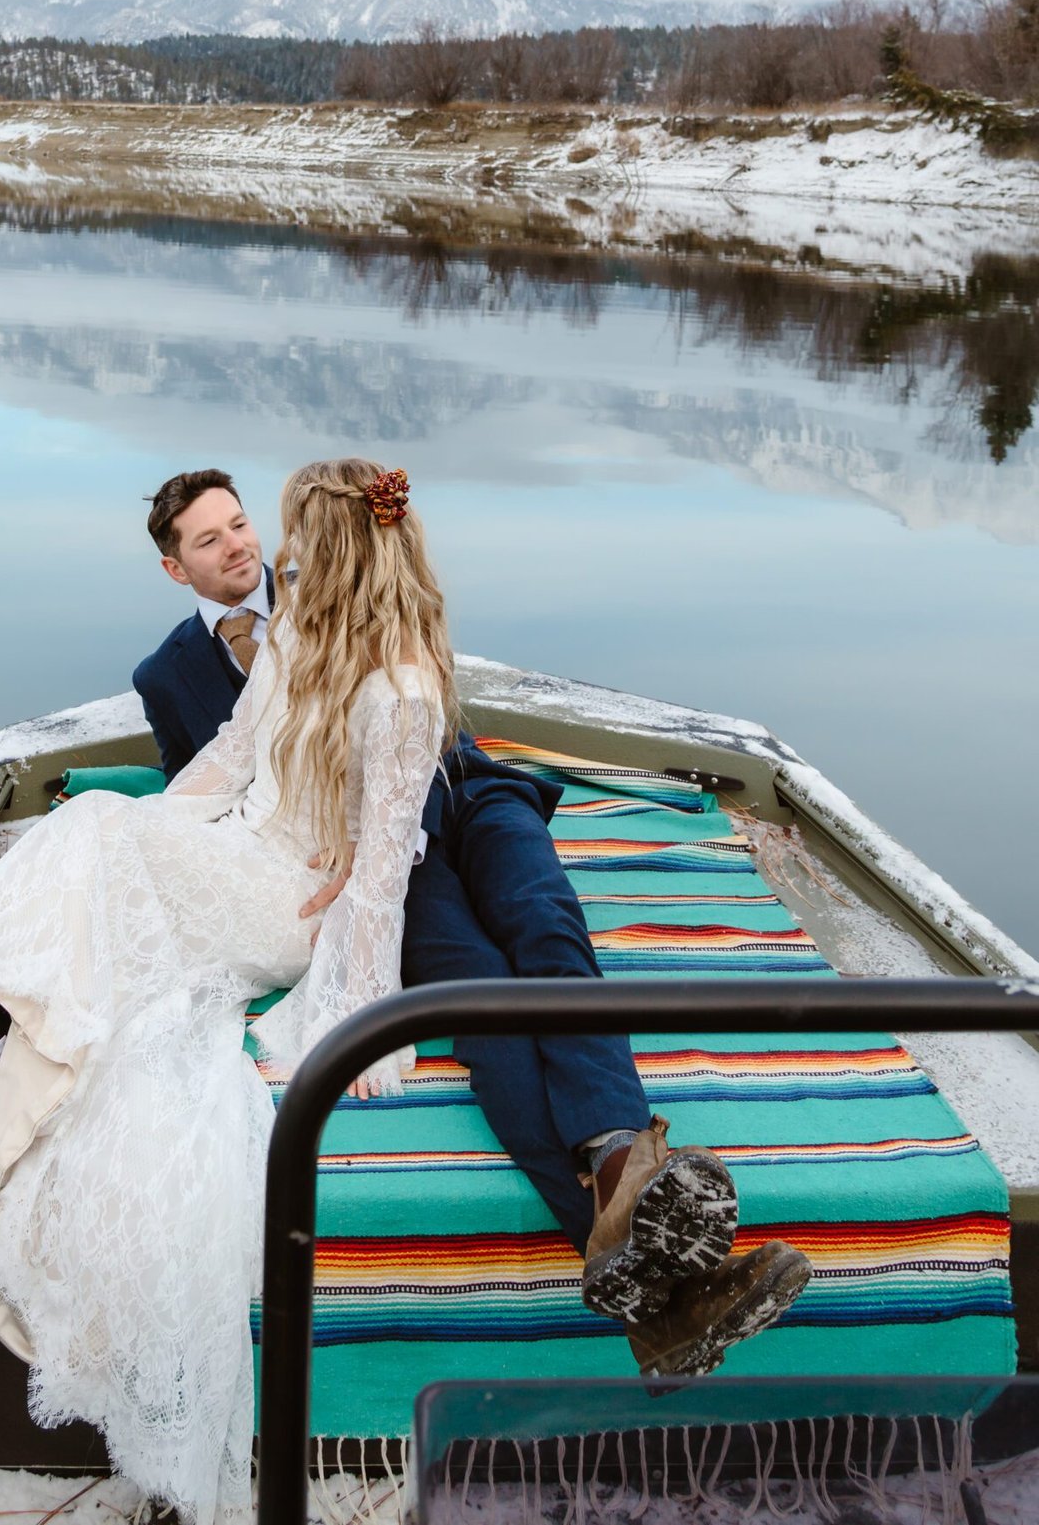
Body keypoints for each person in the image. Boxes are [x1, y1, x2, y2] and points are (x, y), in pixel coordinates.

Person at [0, 459, 461, 1525]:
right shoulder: (298, 636)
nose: (268, 554)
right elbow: (231, 758)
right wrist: (147, 832)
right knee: (89, 830)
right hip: (236, 846)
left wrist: (363, 1018)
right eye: (240, 536)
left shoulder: (403, 684)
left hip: (291, 905)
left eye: (282, 536)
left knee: (92, 838)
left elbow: (379, 880)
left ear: (337, 549)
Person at [132, 468, 811, 1380]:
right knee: (479, 995)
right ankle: (660, 1290)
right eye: (210, 541)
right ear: (177, 567)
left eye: (245, 526)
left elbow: (405, 713)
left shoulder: (357, 600)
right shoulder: (174, 671)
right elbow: (221, 770)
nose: (248, 548)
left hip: (460, 794)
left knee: (546, 928)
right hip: (376, 849)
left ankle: (619, 1162)